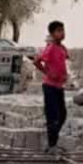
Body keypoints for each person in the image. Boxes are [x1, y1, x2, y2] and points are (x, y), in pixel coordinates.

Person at [34, 21, 69, 152]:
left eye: (63, 30)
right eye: (59, 31)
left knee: (62, 115)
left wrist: (65, 75)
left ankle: (52, 142)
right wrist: (47, 72)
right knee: (53, 116)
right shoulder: (50, 48)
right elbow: (36, 61)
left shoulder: (62, 48)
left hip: (59, 86)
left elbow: (63, 62)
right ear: (52, 34)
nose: (62, 33)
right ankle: (51, 145)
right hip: (50, 86)